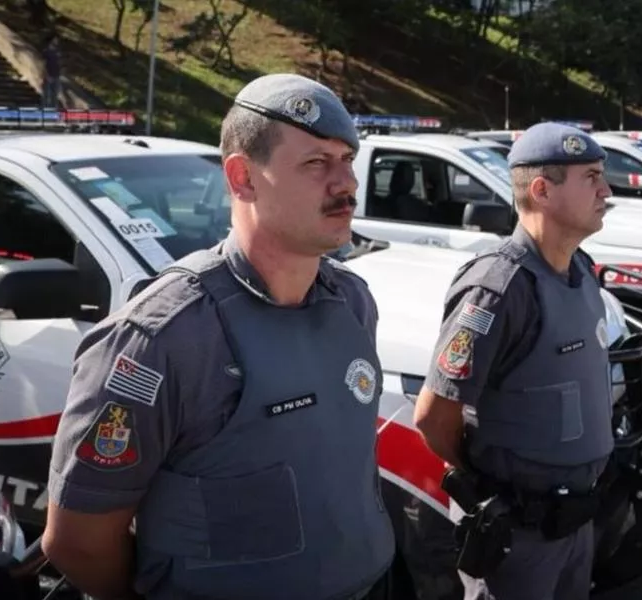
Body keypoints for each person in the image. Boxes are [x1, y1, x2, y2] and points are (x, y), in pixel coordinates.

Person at [41, 74, 395, 600]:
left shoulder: (352, 302)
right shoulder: (163, 337)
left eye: (346, 159)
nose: (345, 183)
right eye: (317, 163)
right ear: (243, 178)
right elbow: (78, 542)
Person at [412, 122, 615, 600]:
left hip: (575, 523)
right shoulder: (498, 288)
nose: (607, 190)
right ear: (542, 191)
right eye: (591, 177)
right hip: (517, 537)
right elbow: (434, 416)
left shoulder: (579, 269)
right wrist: (493, 481)